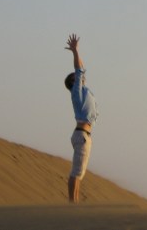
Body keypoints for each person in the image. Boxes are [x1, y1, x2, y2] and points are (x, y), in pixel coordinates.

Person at [64, 33, 99, 203]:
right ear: (74, 82)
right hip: (82, 135)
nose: (81, 77)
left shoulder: (84, 92)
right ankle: (73, 203)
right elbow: (79, 70)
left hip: (84, 135)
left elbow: (81, 70)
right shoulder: (76, 93)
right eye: (77, 77)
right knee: (76, 173)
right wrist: (75, 51)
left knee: (79, 173)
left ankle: (75, 203)